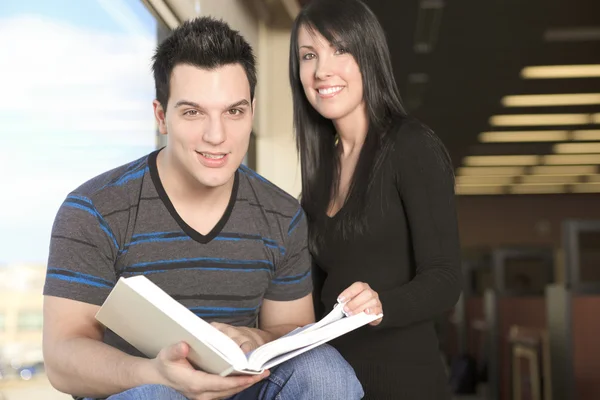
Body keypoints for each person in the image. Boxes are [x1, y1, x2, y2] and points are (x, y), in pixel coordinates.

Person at [42, 16, 364, 400]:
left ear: (251, 112)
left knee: (325, 370)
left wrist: (256, 336)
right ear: (162, 116)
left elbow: (292, 335)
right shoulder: (95, 210)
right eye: (193, 112)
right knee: (155, 396)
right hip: (140, 388)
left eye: (233, 111)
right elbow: (62, 357)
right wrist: (157, 373)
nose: (216, 136)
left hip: (240, 389)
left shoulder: (281, 215)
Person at [288, 0, 462, 398]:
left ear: (368, 55)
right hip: (331, 382)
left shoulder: (411, 146)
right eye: (309, 55)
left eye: (340, 49)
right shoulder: (319, 175)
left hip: (402, 383)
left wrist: (382, 304)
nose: (321, 70)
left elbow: (445, 278)